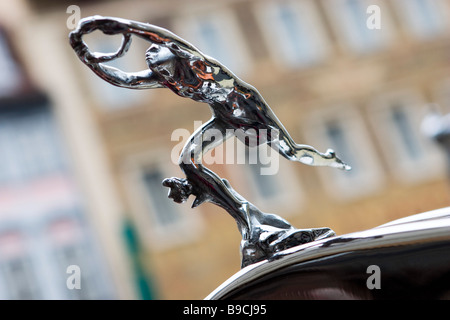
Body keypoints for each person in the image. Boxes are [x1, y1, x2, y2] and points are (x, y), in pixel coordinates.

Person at [70, 16, 350, 239]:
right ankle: (244, 213)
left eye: (160, 59)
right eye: (154, 65)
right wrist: (87, 58)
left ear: (174, 56)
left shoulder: (197, 64)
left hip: (250, 111)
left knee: (290, 151)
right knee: (187, 160)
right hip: (225, 118)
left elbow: (161, 36)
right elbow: (125, 80)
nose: (156, 64)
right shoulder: (169, 79)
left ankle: (328, 159)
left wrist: (122, 26)